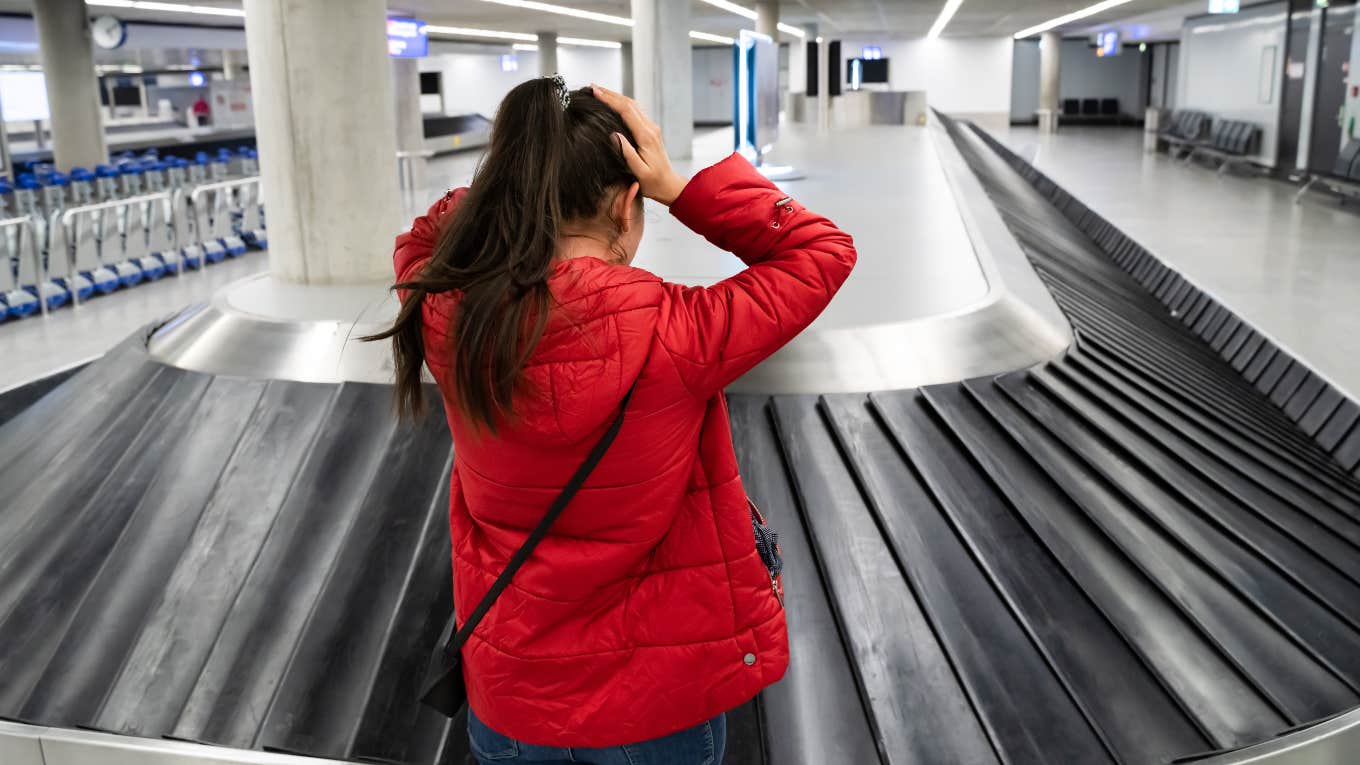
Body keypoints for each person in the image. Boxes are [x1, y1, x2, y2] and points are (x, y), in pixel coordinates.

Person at [373, 77, 856, 764]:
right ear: (630, 202)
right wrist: (680, 188)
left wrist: (512, 178)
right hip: (654, 711)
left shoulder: (449, 315)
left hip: (512, 704)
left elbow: (422, 234)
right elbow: (822, 251)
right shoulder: (680, 331)